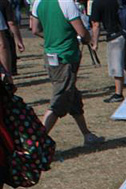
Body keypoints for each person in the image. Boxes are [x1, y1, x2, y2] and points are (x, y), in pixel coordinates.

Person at [29, 0, 104, 143]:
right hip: (66, 56)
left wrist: (52, 38)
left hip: (50, 56)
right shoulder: (66, 3)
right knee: (60, 98)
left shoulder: (38, 2)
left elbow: (35, 29)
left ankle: (87, 134)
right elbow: (82, 32)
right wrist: (88, 39)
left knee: (72, 95)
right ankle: (38, 141)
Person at [90, 0, 126, 102]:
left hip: (114, 37)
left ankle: (118, 94)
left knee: (116, 66)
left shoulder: (97, 3)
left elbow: (96, 24)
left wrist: (95, 42)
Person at [0, 0, 25, 76]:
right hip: (5, 32)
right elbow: (11, 23)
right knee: (7, 49)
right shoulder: (4, 2)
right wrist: (19, 40)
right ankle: (9, 73)